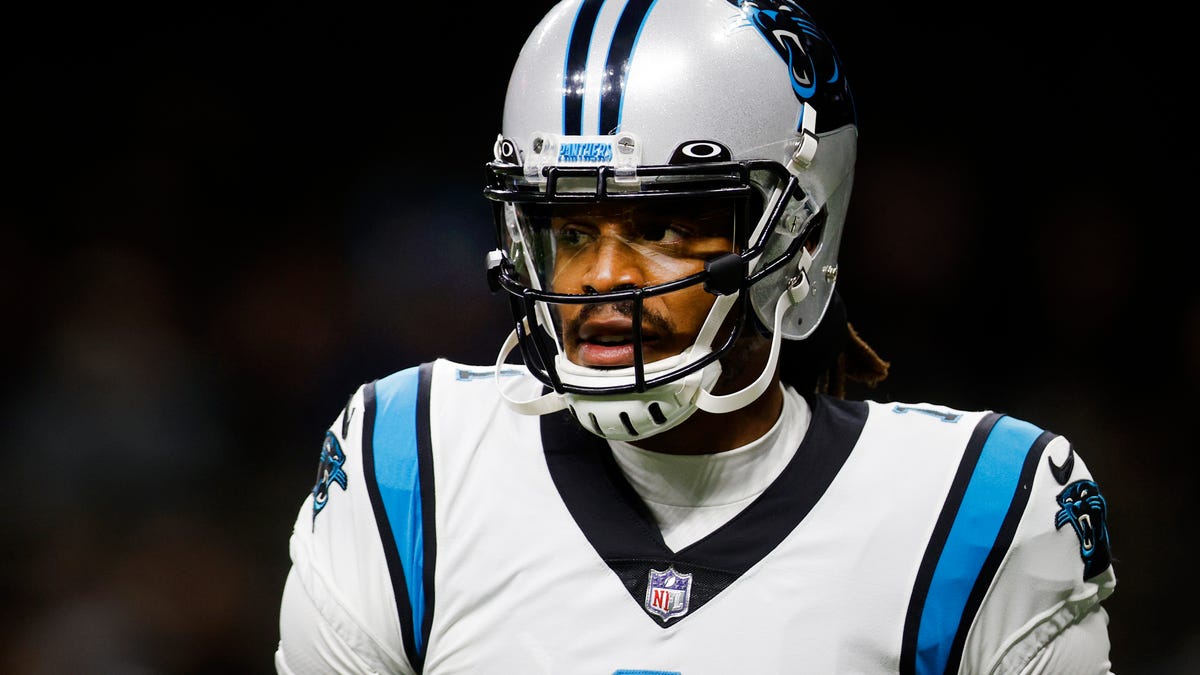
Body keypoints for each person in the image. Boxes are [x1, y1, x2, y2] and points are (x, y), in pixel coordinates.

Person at [274, 1, 1118, 672]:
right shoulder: (406, 459)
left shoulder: (981, 506)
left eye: (663, 225)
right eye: (570, 229)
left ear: (799, 239)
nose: (601, 276)